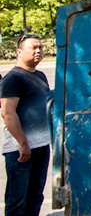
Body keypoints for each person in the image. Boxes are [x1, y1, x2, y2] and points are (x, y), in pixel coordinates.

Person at [0, 34, 50, 216]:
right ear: (19, 52)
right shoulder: (13, 78)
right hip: (20, 150)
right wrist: (22, 143)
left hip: (41, 146)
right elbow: (7, 112)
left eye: (40, 47)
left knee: (35, 197)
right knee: (17, 200)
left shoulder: (40, 76)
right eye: (33, 48)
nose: (38, 51)